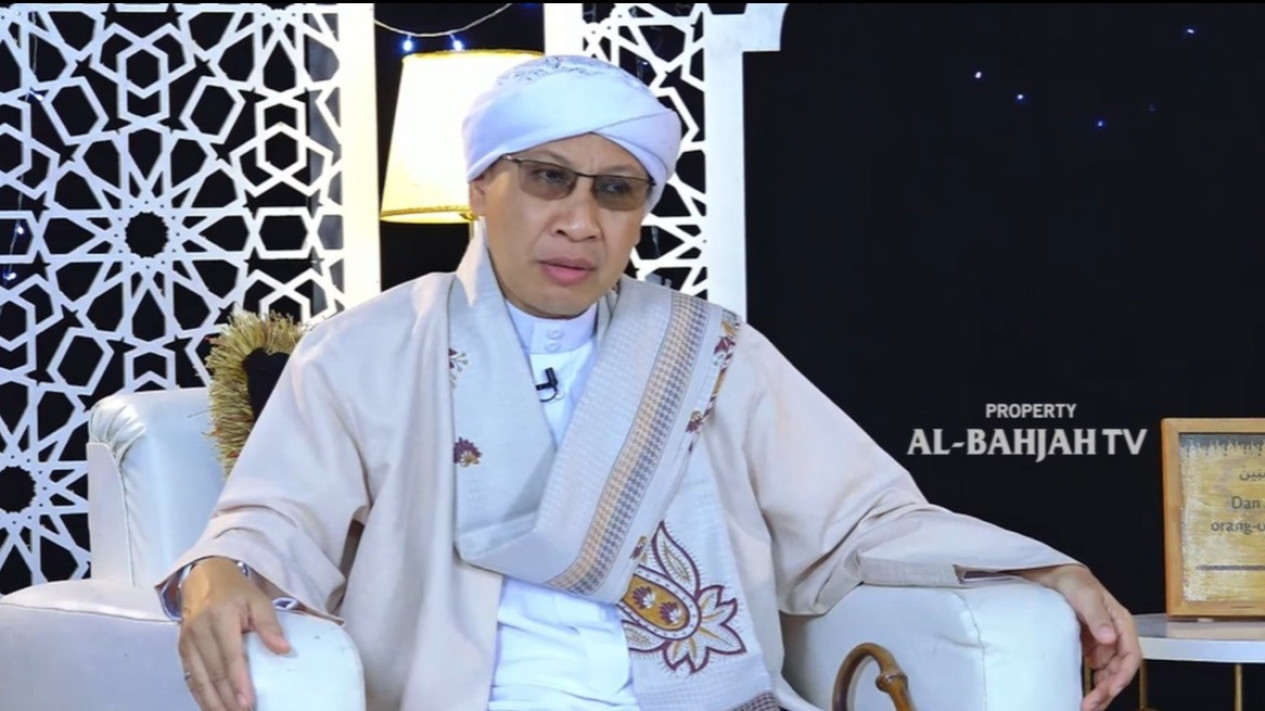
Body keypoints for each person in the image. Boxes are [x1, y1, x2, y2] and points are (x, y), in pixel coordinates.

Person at [159, 54, 1139, 711]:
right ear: (480, 188)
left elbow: (856, 518)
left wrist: (1033, 566)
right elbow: (274, 514)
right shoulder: (370, 350)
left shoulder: (708, 352)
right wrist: (220, 569)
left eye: (615, 191)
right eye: (547, 177)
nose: (579, 221)